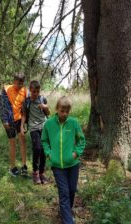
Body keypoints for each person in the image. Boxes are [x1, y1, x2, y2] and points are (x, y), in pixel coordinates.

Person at [41, 96, 86, 224]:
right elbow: (44, 140)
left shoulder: (73, 123)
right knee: (64, 192)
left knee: (71, 190)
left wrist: (76, 153)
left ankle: (65, 210)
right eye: (62, 111)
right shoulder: (49, 124)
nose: (64, 114)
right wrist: (49, 153)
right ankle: (68, 220)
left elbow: (81, 140)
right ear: (57, 109)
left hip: (73, 165)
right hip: (57, 166)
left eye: (67, 111)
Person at [0, 73, 28, 176]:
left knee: (22, 140)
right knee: (12, 142)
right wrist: (4, 120)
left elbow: (26, 106)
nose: (19, 85)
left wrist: (26, 121)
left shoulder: (25, 91)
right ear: (14, 81)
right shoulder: (6, 90)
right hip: (9, 121)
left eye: (21, 83)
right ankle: (13, 167)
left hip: (20, 120)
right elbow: (1, 107)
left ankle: (24, 166)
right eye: (17, 83)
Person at [21, 80, 50, 184]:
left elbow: (48, 114)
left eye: (38, 91)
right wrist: (22, 126)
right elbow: (24, 115)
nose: (36, 94)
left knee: (43, 151)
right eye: (34, 91)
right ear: (30, 90)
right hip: (33, 128)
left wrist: (45, 107)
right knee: (37, 148)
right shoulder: (26, 102)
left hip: (44, 127)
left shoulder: (43, 99)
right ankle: (35, 173)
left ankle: (42, 173)